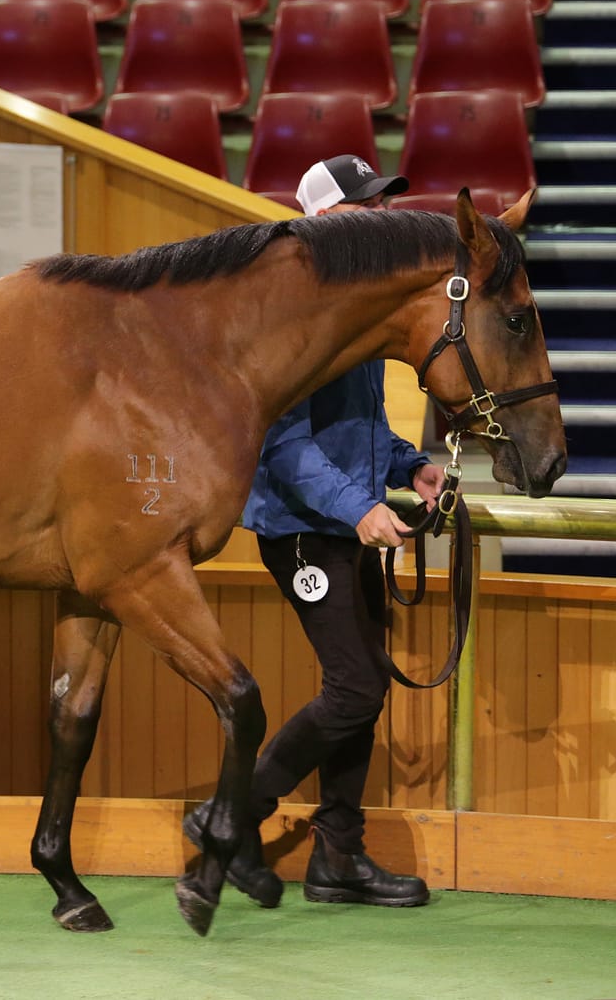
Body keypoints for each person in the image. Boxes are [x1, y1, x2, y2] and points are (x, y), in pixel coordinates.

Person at [190, 154, 445, 909]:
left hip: (346, 525)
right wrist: (359, 507)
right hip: (306, 528)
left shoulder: (351, 304)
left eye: (380, 204)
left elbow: (362, 426)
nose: (376, 217)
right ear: (318, 222)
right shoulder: (287, 310)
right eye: (362, 206)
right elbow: (282, 445)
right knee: (358, 684)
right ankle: (230, 813)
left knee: (361, 689)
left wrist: (413, 464)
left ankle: (338, 857)